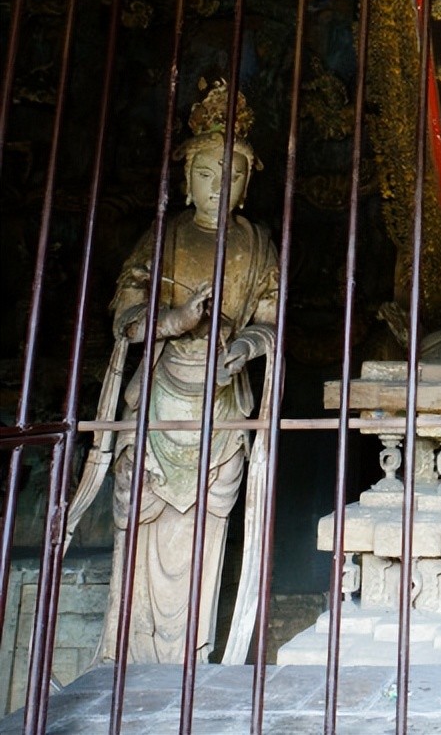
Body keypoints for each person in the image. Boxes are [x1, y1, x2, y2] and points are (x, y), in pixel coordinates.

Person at [96, 82, 279, 664]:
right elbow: (124, 310)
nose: (218, 184)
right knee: (142, 524)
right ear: (187, 178)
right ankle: (129, 652)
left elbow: (272, 320)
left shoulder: (257, 243)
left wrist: (247, 342)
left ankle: (193, 655)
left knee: (207, 529)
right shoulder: (166, 236)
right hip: (160, 398)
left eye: (232, 173)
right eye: (206, 172)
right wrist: (173, 319)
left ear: (247, 185)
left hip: (220, 403)